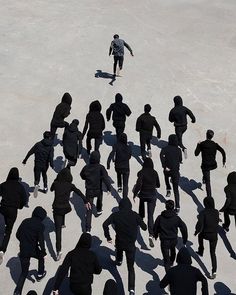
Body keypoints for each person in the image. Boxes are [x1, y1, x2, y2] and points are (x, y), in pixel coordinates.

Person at [103, 198, 147, 295]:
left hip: (120, 242)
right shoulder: (134, 215)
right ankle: (131, 290)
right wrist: (138, 221)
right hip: (131, 245)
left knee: (119, 250)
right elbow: (144, 227)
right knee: (130, 268)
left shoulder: (115, 215)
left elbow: (105, 224)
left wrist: (108, 237)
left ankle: (118, 261)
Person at [50, 168, 91, 261]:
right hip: (66, 208)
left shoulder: (56, 184)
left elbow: (51, 189)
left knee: (58, 231)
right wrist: (86, 200)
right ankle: (63, 223)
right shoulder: (70, 185)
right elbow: (79, 192)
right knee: (63, 212)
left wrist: (56, 180)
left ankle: (58, 250)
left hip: (57, 208)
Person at [14, 207, 47, 295]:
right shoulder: (40, 226)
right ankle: (40, 274)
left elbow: (17, 234)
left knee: (24, 272)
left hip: (24, 250)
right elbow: (41, 240)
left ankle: (17, 291)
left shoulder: (25, 221)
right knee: (41, 257)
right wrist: (43, 252)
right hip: (34, 250)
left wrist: (24, 241)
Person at [0, 168, 27, 264]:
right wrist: (19, 206)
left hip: (2, 208)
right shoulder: (20, 187)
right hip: (13, 210)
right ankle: (2, 250)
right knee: (8, 231)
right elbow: (24, 199)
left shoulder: (4, 184)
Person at [80, 151, 111, 233]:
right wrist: (109, 188)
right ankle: (99, 209)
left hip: (89, 190)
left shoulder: (86, 167)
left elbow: (82, 175)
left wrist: (86, 178)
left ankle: (87, 229)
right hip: (98, 189)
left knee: (89, 210)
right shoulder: (101, 167)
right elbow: (106, 178)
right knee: (100, 198)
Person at [153, 200, 188, 271]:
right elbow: (184, 228)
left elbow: (155, 227)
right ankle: (172, 261)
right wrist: (184, 239)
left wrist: (156, 235)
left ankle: (168, 276)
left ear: (166, 207)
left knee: (166, 261)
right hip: (173, 240)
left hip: (164, 241)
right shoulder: (176, 218)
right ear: (173, 207)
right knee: (173, 249)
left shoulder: (160, 217)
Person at [133, 158, 160, 248]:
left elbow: (139, 184)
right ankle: (151, 234)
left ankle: (141, 219)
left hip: (143, 194)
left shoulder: (141, 172)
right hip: (152, 195)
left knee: (141, 203)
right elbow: (158, 185)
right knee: (150, 215)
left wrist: (134, 194)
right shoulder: (155, 172)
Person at [194, 129, 226, 197]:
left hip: (205, 166)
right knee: (205, 173)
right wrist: (224, 161)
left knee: (207, 181)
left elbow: (196, 154)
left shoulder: (202, 144)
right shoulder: (215, 144)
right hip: (213, 165)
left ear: (206, 135)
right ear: (212, 136)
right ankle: (204, 178)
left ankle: (209, 197)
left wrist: (198, 145)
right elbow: (223, 151)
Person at [22, 131, 54, 198]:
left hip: (37, 163)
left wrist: (25, 160)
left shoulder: (38, 144)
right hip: (45, 165)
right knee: (44, 175)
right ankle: (45, 188)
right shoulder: (51, 147)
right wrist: (52, 164)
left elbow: (30, 152)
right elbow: (51, 157)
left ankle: (36, 184)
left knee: (37, 175)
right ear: (49, 137)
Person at [194, 197, 219, 279]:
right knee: (213, 253)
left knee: (199, 236)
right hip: (214, 235)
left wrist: (196, 231)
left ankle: (201, 250)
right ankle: (214, 271)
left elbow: (200, 224)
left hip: (206, 234)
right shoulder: (216, 212)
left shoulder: (202, 213)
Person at [160, 134, 182, 212]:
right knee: (176, 190)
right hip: (175, 171)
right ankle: (178, 206)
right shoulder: (178, 150)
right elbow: (180, 159)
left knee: (166, 176)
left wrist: (164, 166)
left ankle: (168, 188)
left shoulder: (165, 149)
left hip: (168, 169)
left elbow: (161, 155)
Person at [107, 132, 132, 197]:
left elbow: (112, 153)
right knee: (125, 184)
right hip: (126, 167)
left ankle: (119, 186)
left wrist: (108, 163)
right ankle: (124, 198)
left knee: (118, 174)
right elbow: (129, 157)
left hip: (118, 166)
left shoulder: (116, 145)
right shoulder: (128, 147)